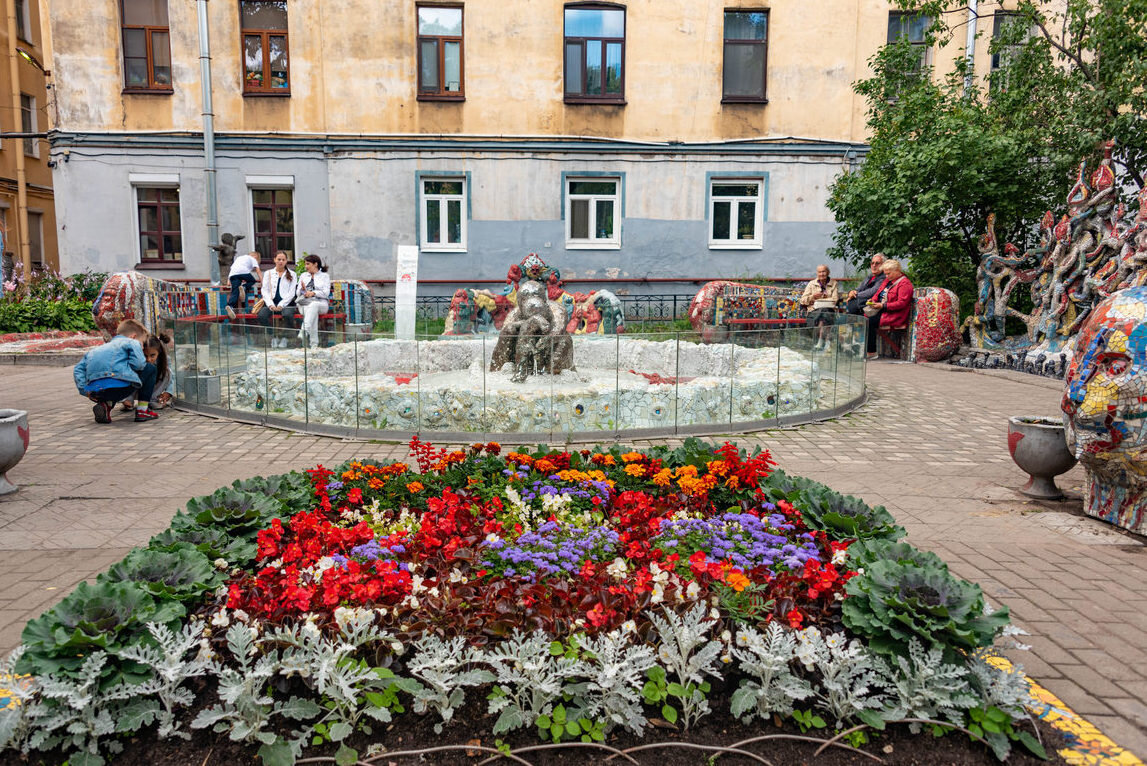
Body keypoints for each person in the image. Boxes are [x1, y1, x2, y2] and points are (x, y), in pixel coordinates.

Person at [73, 318, 159, 423]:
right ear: (134, 336)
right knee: (150, 368)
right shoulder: (132, 342)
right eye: (142, 343)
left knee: (110, 382)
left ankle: (105, 405)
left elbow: (78, 369)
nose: (142, 348)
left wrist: (85, 391)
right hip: (120, 387)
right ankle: (142, 410)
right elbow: (139, 364)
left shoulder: (95, 350)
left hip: (96, 392)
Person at [864, 258, 915, 359]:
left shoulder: (905, 284)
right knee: (862, 318)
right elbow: (878, 293)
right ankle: (866, 350)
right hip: (881, 310)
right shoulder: (888, 280)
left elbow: (902, 303)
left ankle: (871, 352)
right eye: (885, 274)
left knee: (868, 322)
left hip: (894, 315)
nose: (886, 276)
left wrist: (883, 306)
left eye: (889, 274)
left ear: (897, 271)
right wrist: (873, 301)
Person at [120, 333, 173, 411]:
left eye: (152, 355)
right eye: (145, 355)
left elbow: (172, 378)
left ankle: (153, 399)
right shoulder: (135, 360)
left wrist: (168, 392)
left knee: (168, 372)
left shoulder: (164, 360)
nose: (148, 359)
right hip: (136, 388)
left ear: (159, 352)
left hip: (152, 390)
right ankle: (128, 398)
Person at [258, 251, 298, 347]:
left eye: (283, 260)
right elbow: (265, 290)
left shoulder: (292, 274)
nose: (281, 262)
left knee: (288, 315)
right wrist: (270, 304)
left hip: (287, 303)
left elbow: (291, 293)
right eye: (279, 259)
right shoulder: (268, 273)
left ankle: (285, 338)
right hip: (271, 303)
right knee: (261, 315)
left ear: (286, 261)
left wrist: (281, 305)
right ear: (274, 260)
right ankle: (273, 336)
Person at [799, 264, 840, 351]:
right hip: (814, 311)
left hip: (829, 310)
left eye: (824, 271)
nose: (822, 274)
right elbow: (802, 300)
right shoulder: (811, 284)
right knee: (824, 314)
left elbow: (835, 299)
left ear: (828, 272)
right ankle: (827, 341)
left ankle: (820, 341)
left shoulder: (834, 283)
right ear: (817, 273)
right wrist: (813, 296)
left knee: (825, 312)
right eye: (819, 272)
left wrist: (822, 298)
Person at [296, 254, 331, 349]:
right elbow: (297, 292)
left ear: (315, 264)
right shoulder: (304, 275)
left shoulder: (324, 276)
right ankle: (314, 344)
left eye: (308, 264)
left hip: (321, 303)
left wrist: (313, 293)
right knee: (312, 311)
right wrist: (303, 291)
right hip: (304, 303)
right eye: (305, 264)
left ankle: (304, 331)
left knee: (314, 305)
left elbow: (326, 293)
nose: (306, 266)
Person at [225, 251, 262, 319]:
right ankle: (244, 287)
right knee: (252, 280)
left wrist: (228, 281)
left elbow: (232, 269)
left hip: (233, 274)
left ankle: (230, 306)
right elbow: (258, 271)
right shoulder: (253, 259)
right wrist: (262, 282)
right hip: (243, 272)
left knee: (235, 291)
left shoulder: (239, 258)